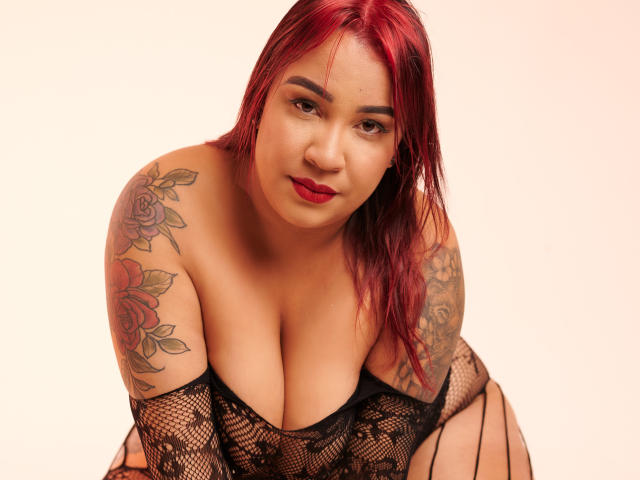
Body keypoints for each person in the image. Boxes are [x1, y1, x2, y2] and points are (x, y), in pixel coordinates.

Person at [102, 0, 533, 478]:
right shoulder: (163, 213)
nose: (326, 157)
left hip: (430, 443)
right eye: (306, 105)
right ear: (263, 92)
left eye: (370, 126)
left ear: (399, 146)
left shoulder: (424, 248)